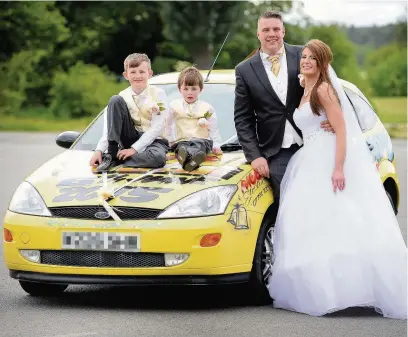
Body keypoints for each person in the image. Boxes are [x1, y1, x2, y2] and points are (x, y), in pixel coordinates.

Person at [268, 39, 407, 319]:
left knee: (340, 219)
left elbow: (341, 130)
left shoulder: (324, 90)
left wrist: (339, 167)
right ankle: (319, 287)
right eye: (304, 57)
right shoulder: (306, 87)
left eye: (312, 58)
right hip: (307, 158)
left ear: (322, 63)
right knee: (313, 225)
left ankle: (349, 290)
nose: (306, 61)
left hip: (327, 159)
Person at [234, 11, 332, 201]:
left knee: (322, 200)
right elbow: (243, 118)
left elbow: (328, 88)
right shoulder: (244, 70)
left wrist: (333, 118)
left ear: (283, 31)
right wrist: (254, 156)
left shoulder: (304, 55)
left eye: (276, 29)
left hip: (315, 144)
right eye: (266, 29)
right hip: (277, 153)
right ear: (258, 34)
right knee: (289, 206)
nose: (272, 33)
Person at [90, 53, 169, 171]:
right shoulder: (121, 97)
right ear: (126, 75)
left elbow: (157, 127)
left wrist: (133, 150)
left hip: (155, 141)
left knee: (158, 158)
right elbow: (109, 127)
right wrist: (99, 150)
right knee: (114, 99)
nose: (138, 76)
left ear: (150, 73)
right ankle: (112, 154)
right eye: (133, 72)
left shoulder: (159, 93)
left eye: (142, 72)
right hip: (130, 137)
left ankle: (117, 159)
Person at [166, 66, 223, 171]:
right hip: (182, 140)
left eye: (194, 89)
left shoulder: (207, 108)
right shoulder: (174, 106)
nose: (190, 92)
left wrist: (217, 144)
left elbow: (213, 129)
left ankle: (193, 158)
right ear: (179, 89)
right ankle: (188, 161)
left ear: (200, 89)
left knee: (198, 145)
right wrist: (170, 140)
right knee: (181, 147)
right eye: (186, 89)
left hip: (202, 140)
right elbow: (167, 124)